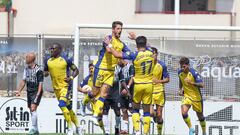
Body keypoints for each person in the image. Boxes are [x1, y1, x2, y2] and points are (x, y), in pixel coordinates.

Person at [82, 21, 134, 124]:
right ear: (113, 29)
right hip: (101, 69)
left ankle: (95, 115)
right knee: (94, 92)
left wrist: (123, 53)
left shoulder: (121, 44)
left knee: (104, 94)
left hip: (110, 72)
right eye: (118, 28)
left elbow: (130, 54)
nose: (120, 31)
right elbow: (110, 51)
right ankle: (84, 103)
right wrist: (119, 52)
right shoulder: (108, 38)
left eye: (121, 29)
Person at [106, 36, 154, 135]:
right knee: (146, 111)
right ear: (145, 44)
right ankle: (145, 132)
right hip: (149, 85)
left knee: (135, 109)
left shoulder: (134, 55)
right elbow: (148, 46)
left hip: (138, 85)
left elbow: (116, 54)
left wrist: (109, 44)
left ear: (136, 45)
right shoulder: (151, 52)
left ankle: (137, 131)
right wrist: (135, 38)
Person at [44, 43, 82, 135]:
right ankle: (78, 127)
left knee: (61, 104)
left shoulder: (65, 60)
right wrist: (45, 73)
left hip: (65, 87)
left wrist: (71, 78)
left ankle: (70, 128)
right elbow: (46, 72)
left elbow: (76, 70)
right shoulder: (48, 61)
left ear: (59, 50)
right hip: (56, 89)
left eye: (53, 48)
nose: (51, 50)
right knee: (68, 108)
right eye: (51, 48)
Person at [15, 53, 43, 135]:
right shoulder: (26, 68)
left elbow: (40, 84)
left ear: (32, 59)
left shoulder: (39, 70)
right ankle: (36, 130)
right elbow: (24, 80)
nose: (25, 58)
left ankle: (34, 128)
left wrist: (37, 95)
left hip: (36, 91)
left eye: (27, 57)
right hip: (29, 91)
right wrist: (19, 90)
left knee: (33, 108)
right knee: (31, 110)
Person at [178, 57, 206, 135]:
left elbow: (202, 85)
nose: (182, 68)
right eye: (181, 66)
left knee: (200, 116)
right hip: (187, 96)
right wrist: (180, 89)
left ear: (188, 65)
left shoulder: (194, 73)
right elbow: (181, 80)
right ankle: (191, 128)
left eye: (184, 66)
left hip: (196, 97)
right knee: (184, 112)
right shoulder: (180, 72)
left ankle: (204, 132)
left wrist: (191, 83)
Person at [78, 63, 104, 132]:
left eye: (92, 68)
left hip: (99, 98)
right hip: (92, 100)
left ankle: (105, 131)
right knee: (99, 116)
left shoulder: (99, 77)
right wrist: (83, 90)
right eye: (90, 69)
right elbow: (78, 87)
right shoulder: (87, 78)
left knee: (100, 115)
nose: (91, 70)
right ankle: (83, 103)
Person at [150, 47, 170, 135]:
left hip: (160, 91)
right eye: (150, 53)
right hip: (149, 91)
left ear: (156, 54)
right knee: (150, 113)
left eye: (153, 53)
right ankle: (154, 116)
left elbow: (167, 79)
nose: (152, 55)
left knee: (159, 115)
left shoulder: (162, 65)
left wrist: (158, 81)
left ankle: (159, 132)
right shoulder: (147, 65)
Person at [102, 63, 122, 135]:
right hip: (106, 94)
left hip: (115, 94)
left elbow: (121, 80)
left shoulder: (118, 68)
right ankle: (107, 131)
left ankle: (116, 127)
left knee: (118, 113)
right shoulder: (104, 67)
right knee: (105, 112)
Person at [118, 59, 134, 134]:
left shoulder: (130, 66)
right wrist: (124, 90)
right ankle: (125, 129)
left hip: (131, 91)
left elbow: (132, 78)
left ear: (122, 60)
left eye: (118, 60)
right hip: (122, 92)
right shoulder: (120, 69)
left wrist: (128, 89)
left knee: (132, 111)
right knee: (124, 110)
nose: (117, 62)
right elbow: (122, 81)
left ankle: (137, 127)